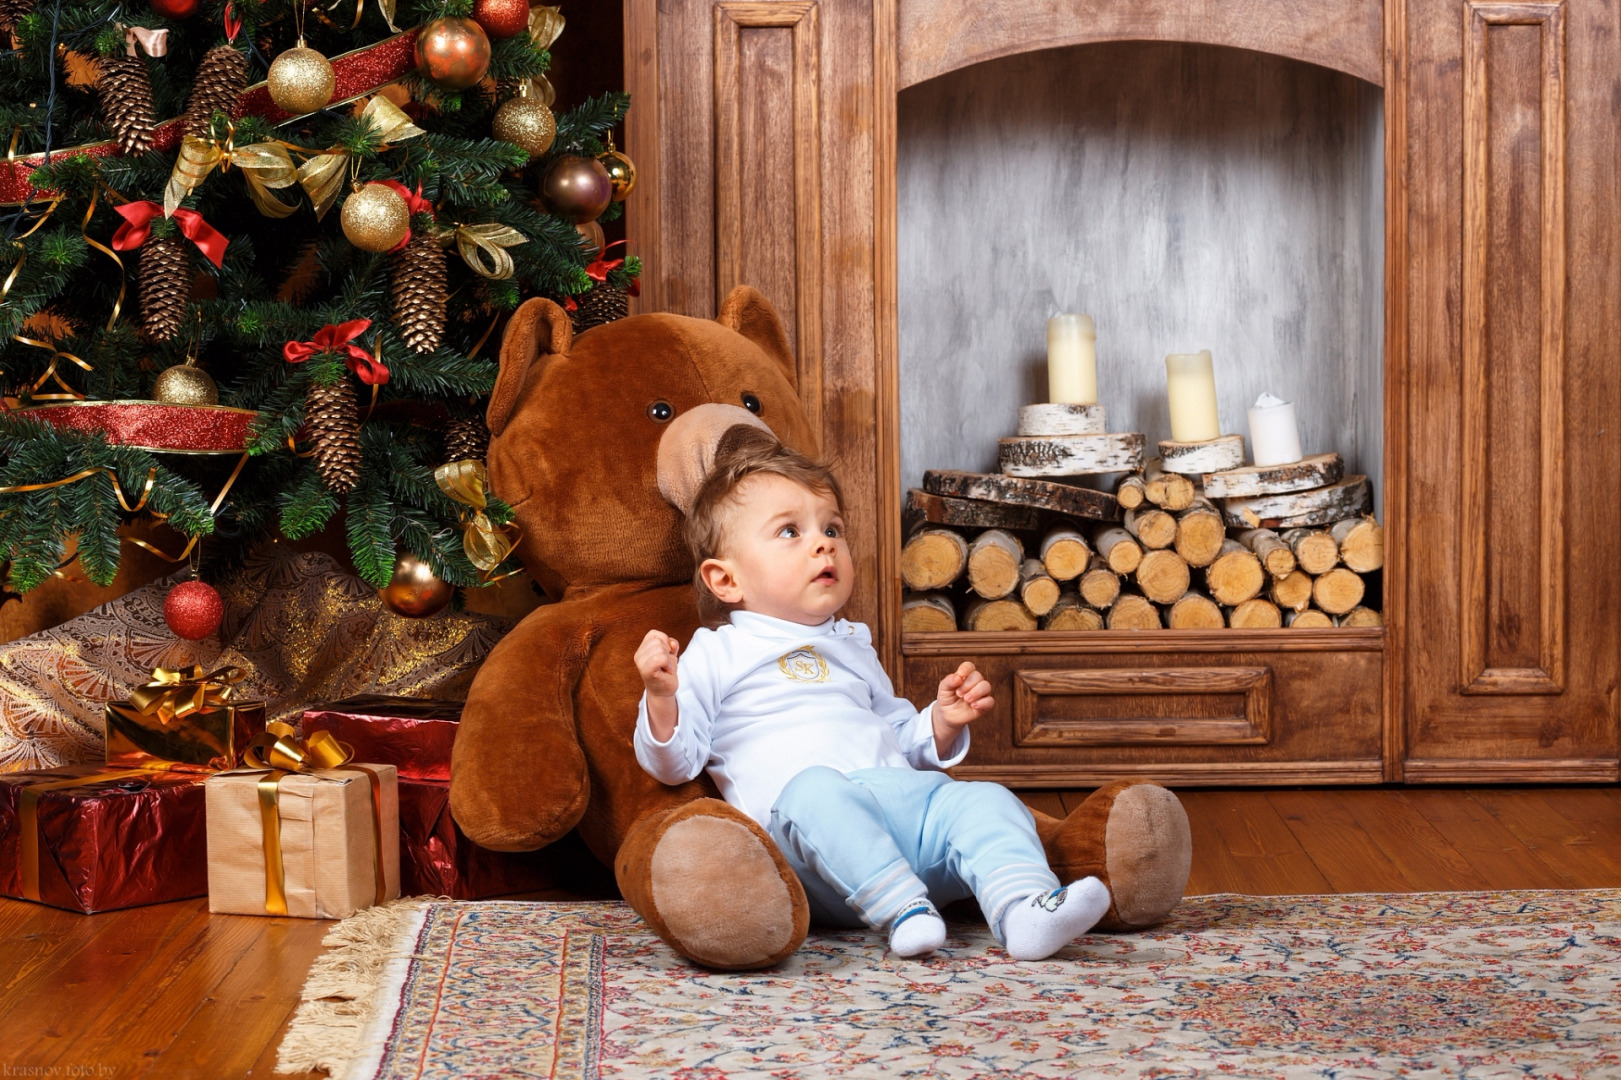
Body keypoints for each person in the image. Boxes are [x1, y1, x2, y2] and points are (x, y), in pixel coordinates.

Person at [633, 427, 1110, 959]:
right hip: (816, 848)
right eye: (789, 532)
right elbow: (676, 762)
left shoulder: (851, 643)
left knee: (983, 798)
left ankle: (1022, 908)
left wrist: (942, 721)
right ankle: (902, 908)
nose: (824, 542)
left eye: (832, 527)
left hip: (907, 813)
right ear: (726, 581)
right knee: (812, 788)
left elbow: (899, 736)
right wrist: (660, 695)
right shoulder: (717, 651)